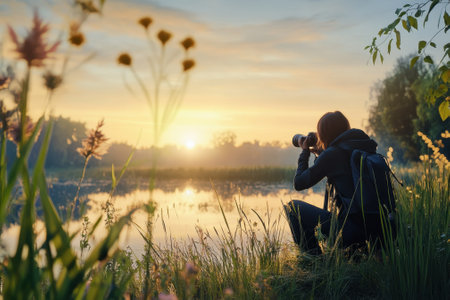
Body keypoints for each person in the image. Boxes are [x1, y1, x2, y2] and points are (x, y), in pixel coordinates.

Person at [285, 111, 385, 254]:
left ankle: (314, 261)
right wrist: (323, 153)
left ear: (324, 133)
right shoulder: (363, 147)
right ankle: (356, 252)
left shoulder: (332, 154)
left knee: (292, 207)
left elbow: (299, 183)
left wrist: (305, 151)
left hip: (351, 230)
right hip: (379, 228)